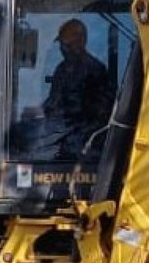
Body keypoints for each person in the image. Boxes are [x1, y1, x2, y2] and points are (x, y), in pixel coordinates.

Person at [38, 18, 116, 158]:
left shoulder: (95, 70)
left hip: (85, 146)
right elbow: (54, 100)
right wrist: (40, 110)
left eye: (67, 44)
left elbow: (101, 113)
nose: (63, 49)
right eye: (61, 45)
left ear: (81, 41)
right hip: (61, 141)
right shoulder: (61, 70)